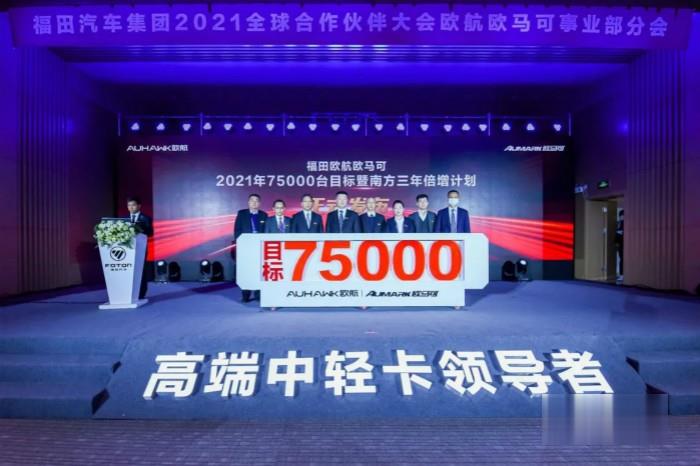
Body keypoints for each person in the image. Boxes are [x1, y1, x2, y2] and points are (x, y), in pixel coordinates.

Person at [233, 193, 268, 302]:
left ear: (259, 203)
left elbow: (266, 232)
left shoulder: (264, 215)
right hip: (246, 247)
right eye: (252, 200)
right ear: (248, 202)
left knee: (259, 271)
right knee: (246, 271)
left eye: (256, 201)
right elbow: (237, 230)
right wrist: (242, 244)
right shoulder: (242, 214)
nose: (254, 203)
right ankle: (246, 295)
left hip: (259, 247)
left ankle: (258, 295)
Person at [126, 197, 153, 300]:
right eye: (129, 205)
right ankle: (127, 292)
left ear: (139, 206)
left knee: (140, 270)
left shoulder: (145, 218)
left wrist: (140, 229)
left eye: (133, 205)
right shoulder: (123, 219)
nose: (131, 207)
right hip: (126, 249)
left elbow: (150, 233)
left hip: (140, 248)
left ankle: (141, 293)